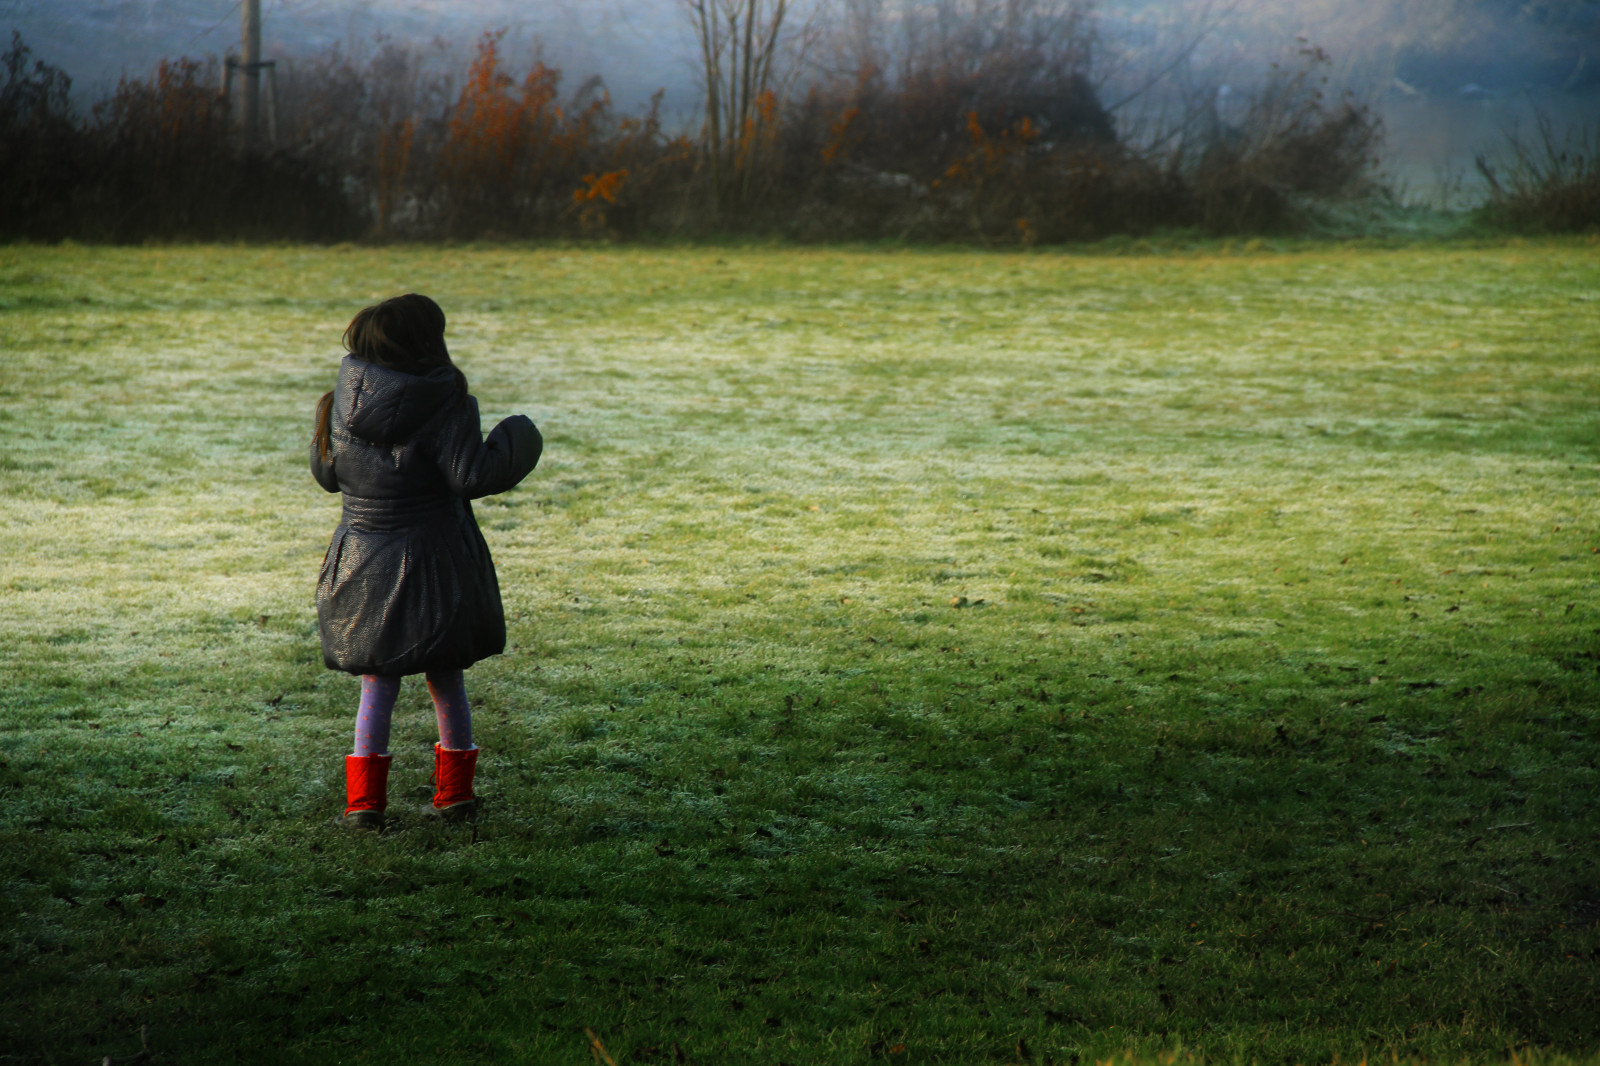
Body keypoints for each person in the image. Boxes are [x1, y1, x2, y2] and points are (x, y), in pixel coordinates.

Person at [310, 293, 541, 830]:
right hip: (436, 561)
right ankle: (455, 795)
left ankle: (364, 803)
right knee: (446, 674)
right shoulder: (446, 402)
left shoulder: (339, 402)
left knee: (378, 681)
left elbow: (327, 476)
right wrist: (520, 439)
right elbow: (472, 476)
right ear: (428, 343)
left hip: (362, 561)